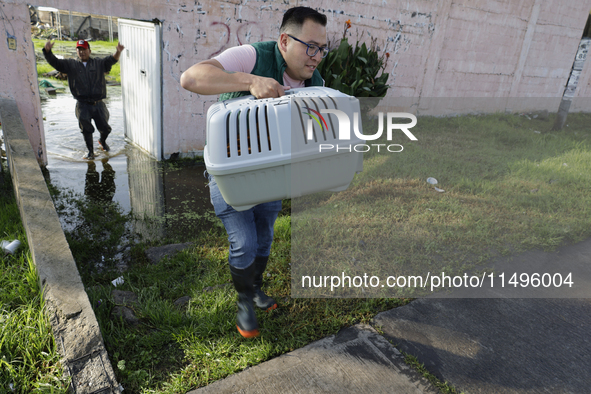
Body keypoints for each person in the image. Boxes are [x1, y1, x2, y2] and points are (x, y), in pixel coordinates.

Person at [180, 6, 328, 338]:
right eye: (311, 47)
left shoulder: (315, 81)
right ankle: (244, 301)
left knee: (265, 236)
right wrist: (250, 81)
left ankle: (256, 289)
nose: (317, 57)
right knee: (244, 242)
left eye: (322, 49)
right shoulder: (252, 56)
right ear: (285, 40)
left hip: (272, 172)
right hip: (231, 171)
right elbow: (190, 78)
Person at [43, 39, 125, 160]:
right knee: (86, 130)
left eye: (84, 49)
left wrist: (118, 51)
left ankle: (102, 141)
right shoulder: (71, 64)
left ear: (89, 51)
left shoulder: (98, 63)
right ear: (76, 51)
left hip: (99, 104)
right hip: (82, 105)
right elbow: (55, 62)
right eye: (79, 50)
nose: (81, 52)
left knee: (106, 128)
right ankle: (90, 152)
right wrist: (47, 51)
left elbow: (111, 60)